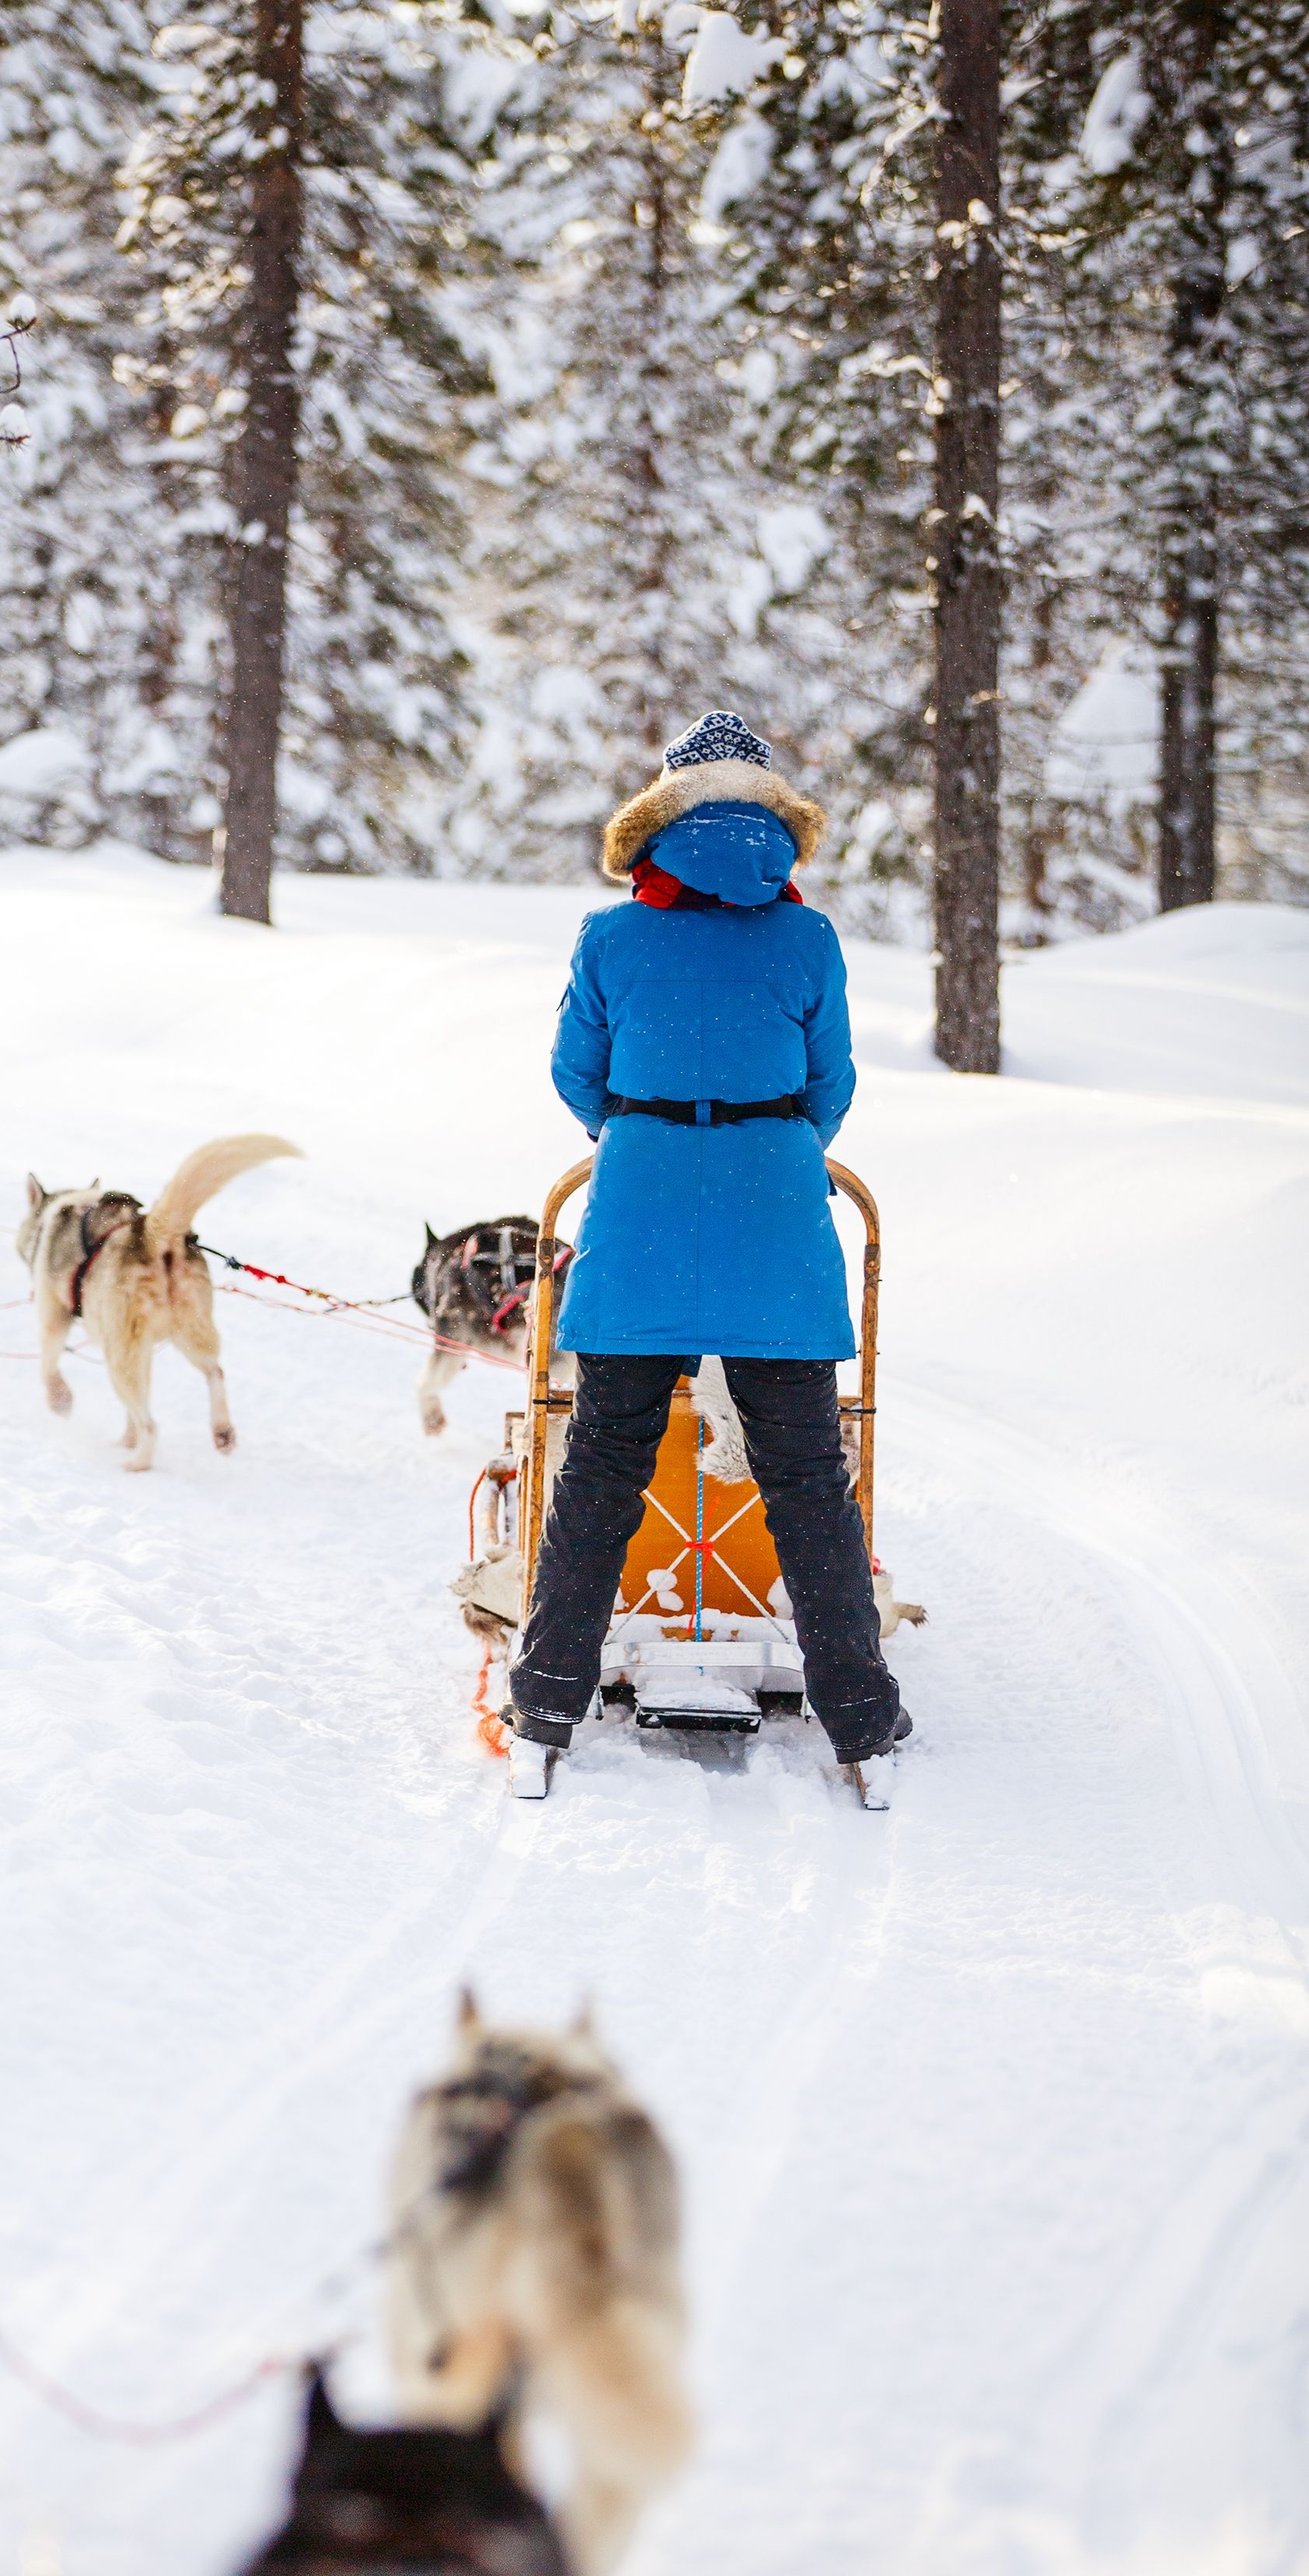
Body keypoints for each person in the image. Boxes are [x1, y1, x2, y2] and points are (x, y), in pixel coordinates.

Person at [507, 709, 909, 1797]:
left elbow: (576, 1076)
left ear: (659, 815)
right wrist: (762, 1147)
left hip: (637, 1211)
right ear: (772, 819)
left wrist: (647, 1137)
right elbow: (829, 1086)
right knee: (808, 1484)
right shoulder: (807, 939)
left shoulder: (610, 936)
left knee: (600, 1470)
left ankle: (545, 1706)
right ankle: (861, 1724)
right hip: (775, 1219)